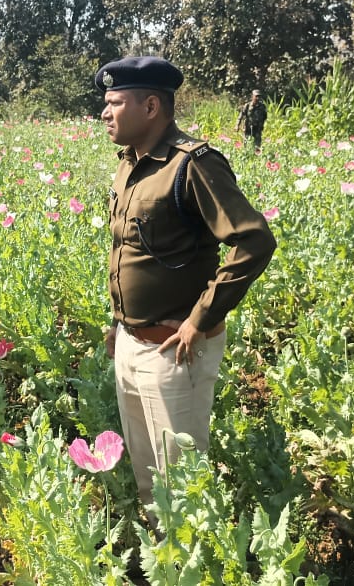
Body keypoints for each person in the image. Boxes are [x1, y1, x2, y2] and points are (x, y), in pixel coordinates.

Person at [95, 57, 276, 510]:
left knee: (180, 485)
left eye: (115, 103)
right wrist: (120, 322)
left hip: (176, 350)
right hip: (132, 343)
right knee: (146, 476)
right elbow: (132, 253)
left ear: (151, 106)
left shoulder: (193, 165)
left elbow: (253, 241)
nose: (105, 113)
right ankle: (158, 560)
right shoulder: (130, 165)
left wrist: (201, 319)